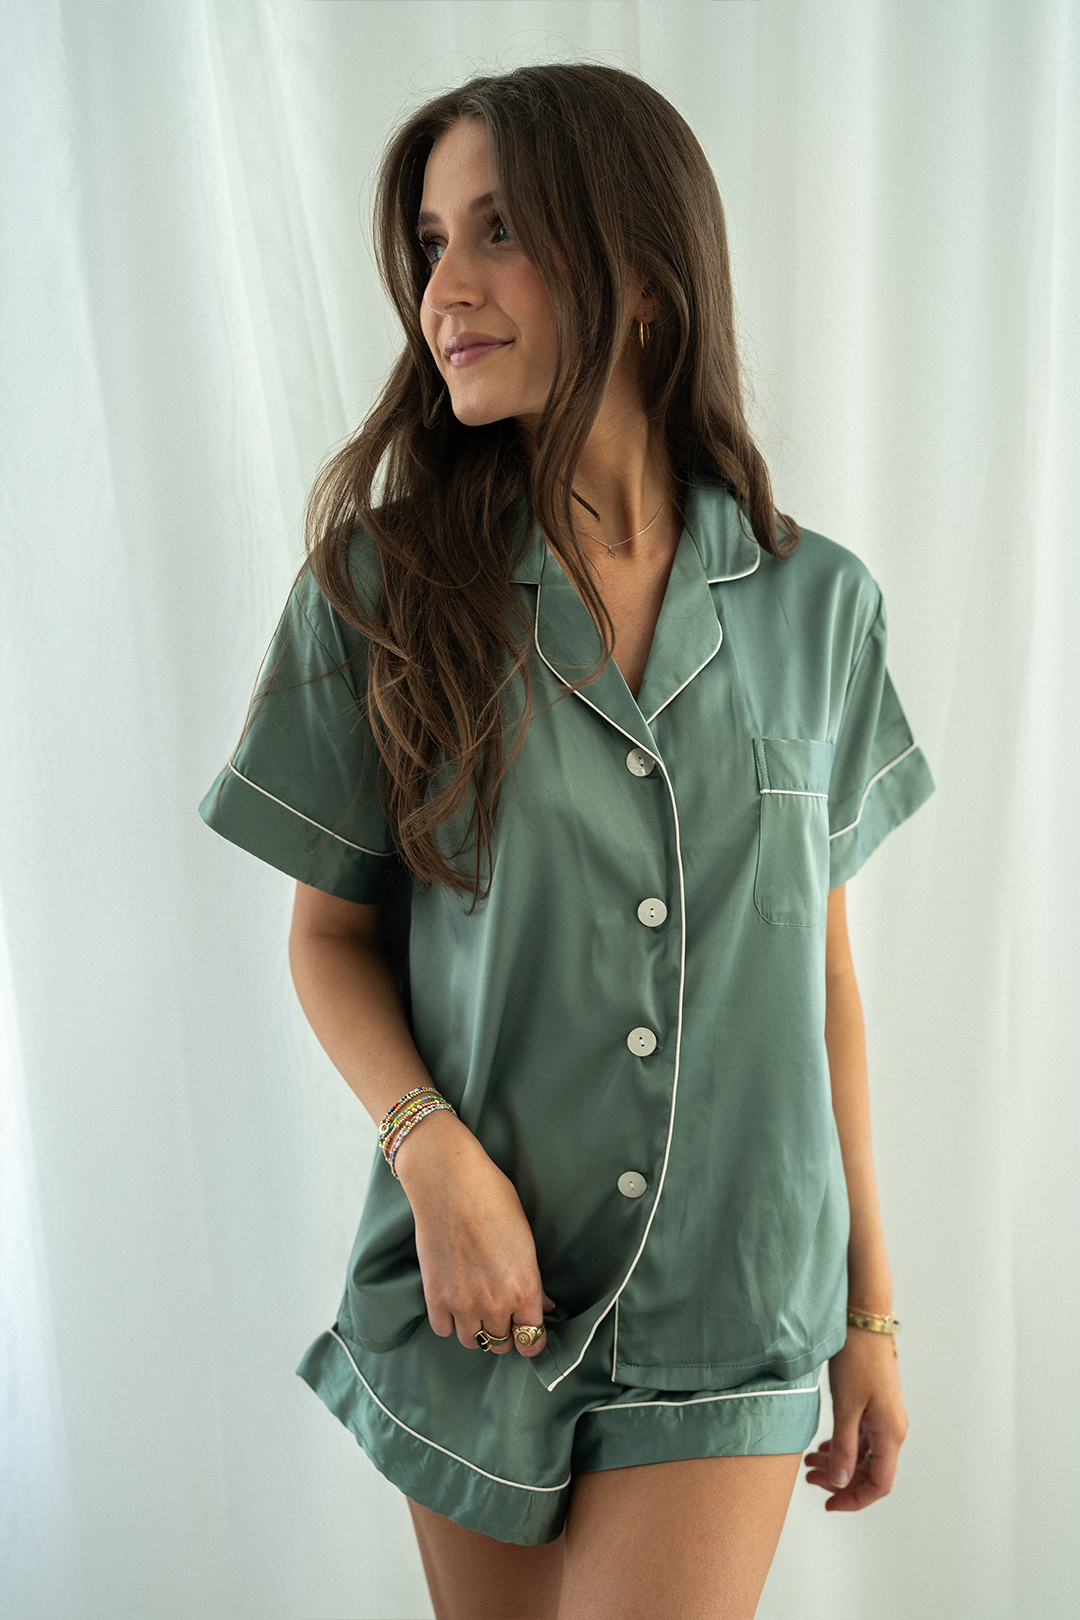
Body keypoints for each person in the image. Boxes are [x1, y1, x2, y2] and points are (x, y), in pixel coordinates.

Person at [200, 63, 935, 1620]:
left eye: (497, 233)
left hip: (730, 1300)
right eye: (429, 244)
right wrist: (435, 1159)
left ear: (643, 279)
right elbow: (327, 938)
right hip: (484, 1295)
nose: (441, 292)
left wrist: (872, 1311)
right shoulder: (379, 594)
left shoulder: (822, 606)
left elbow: (822, 981)